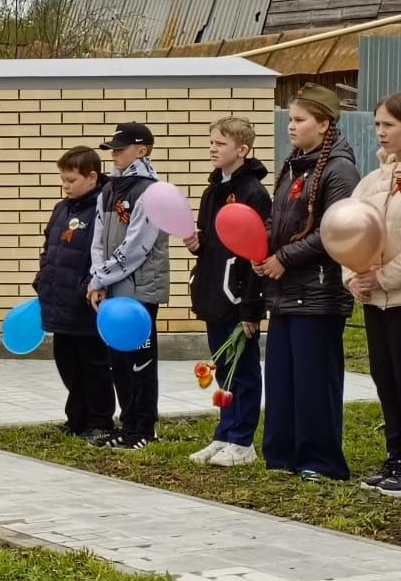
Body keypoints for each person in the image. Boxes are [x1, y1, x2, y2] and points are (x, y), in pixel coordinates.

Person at [255, 83, 359, 481]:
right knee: (281, 380)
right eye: (291, 119)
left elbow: (335, 231)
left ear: (324, 123)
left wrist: (284, 257)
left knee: (315, 382)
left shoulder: (339, 170)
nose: (291, 127)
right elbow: (278, 220)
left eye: (299, 120)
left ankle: (320, 461)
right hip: (284, 294)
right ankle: (282, 456)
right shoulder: (295, 165)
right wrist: (260, 243)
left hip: (318, 294)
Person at [185, 117, 271, 467]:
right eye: (211, 142)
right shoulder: (211, 191)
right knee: (223, 369)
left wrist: (251, 307)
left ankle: (243, 441)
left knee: (245, 371)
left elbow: (256, 251)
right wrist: (197, 243)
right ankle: (224, 434)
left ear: (242, 149)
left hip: (238, 299)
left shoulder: (253, 192)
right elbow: (210, 239)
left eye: (220, 144)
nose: (212, 149)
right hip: (213, 294)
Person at [86, 122, 169, 451]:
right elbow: (97, 237)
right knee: (118, 360)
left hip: (140, 289)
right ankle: (128, 423)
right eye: (113, 149)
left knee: (140, 360)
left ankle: (144, 428)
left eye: (121, 148)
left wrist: (101, 276)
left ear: (142, 150)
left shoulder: (151, 192)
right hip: (112, 287)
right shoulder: (109, 189)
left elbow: (138, 246)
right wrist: (98, 277)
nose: (115, 154)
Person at [34, 146, 113, 443]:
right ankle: (76, 418)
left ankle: (100, 421)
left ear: (92, 177)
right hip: (59, 299)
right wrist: (43, 277)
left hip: (86, 303)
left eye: (71, 180)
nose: (65, 185)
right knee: (67, 362)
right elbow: (49, 247)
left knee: (93, 365)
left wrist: (87, 287)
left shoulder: (103, 210)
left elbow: (104, 255)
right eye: (63, 180)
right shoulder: (62, 208)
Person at [345, 92, 401, 494]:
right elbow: (346, 230)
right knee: (385, 380)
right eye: (378, 124)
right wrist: (355, 276)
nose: (380, 132)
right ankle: (395, 457)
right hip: (375, 302)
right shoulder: (372, 180)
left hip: (398, 297)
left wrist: (382, 277)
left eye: (389, 125)